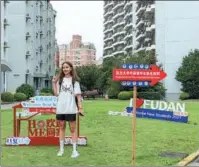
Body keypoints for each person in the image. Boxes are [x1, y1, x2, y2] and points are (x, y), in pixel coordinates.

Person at [52, 61, 84, 158]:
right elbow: (56, 93)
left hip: (71, 108)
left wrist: (80, 108)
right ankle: (61, 149)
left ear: (71, 68)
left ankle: (74, 151)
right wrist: (54, 83)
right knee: (61, 128)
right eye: (63, 67)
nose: (65, 69)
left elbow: (78, 96)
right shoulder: (60, 80)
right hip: (61, 108)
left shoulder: (75, 81)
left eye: (67, 67)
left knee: (73, 129)